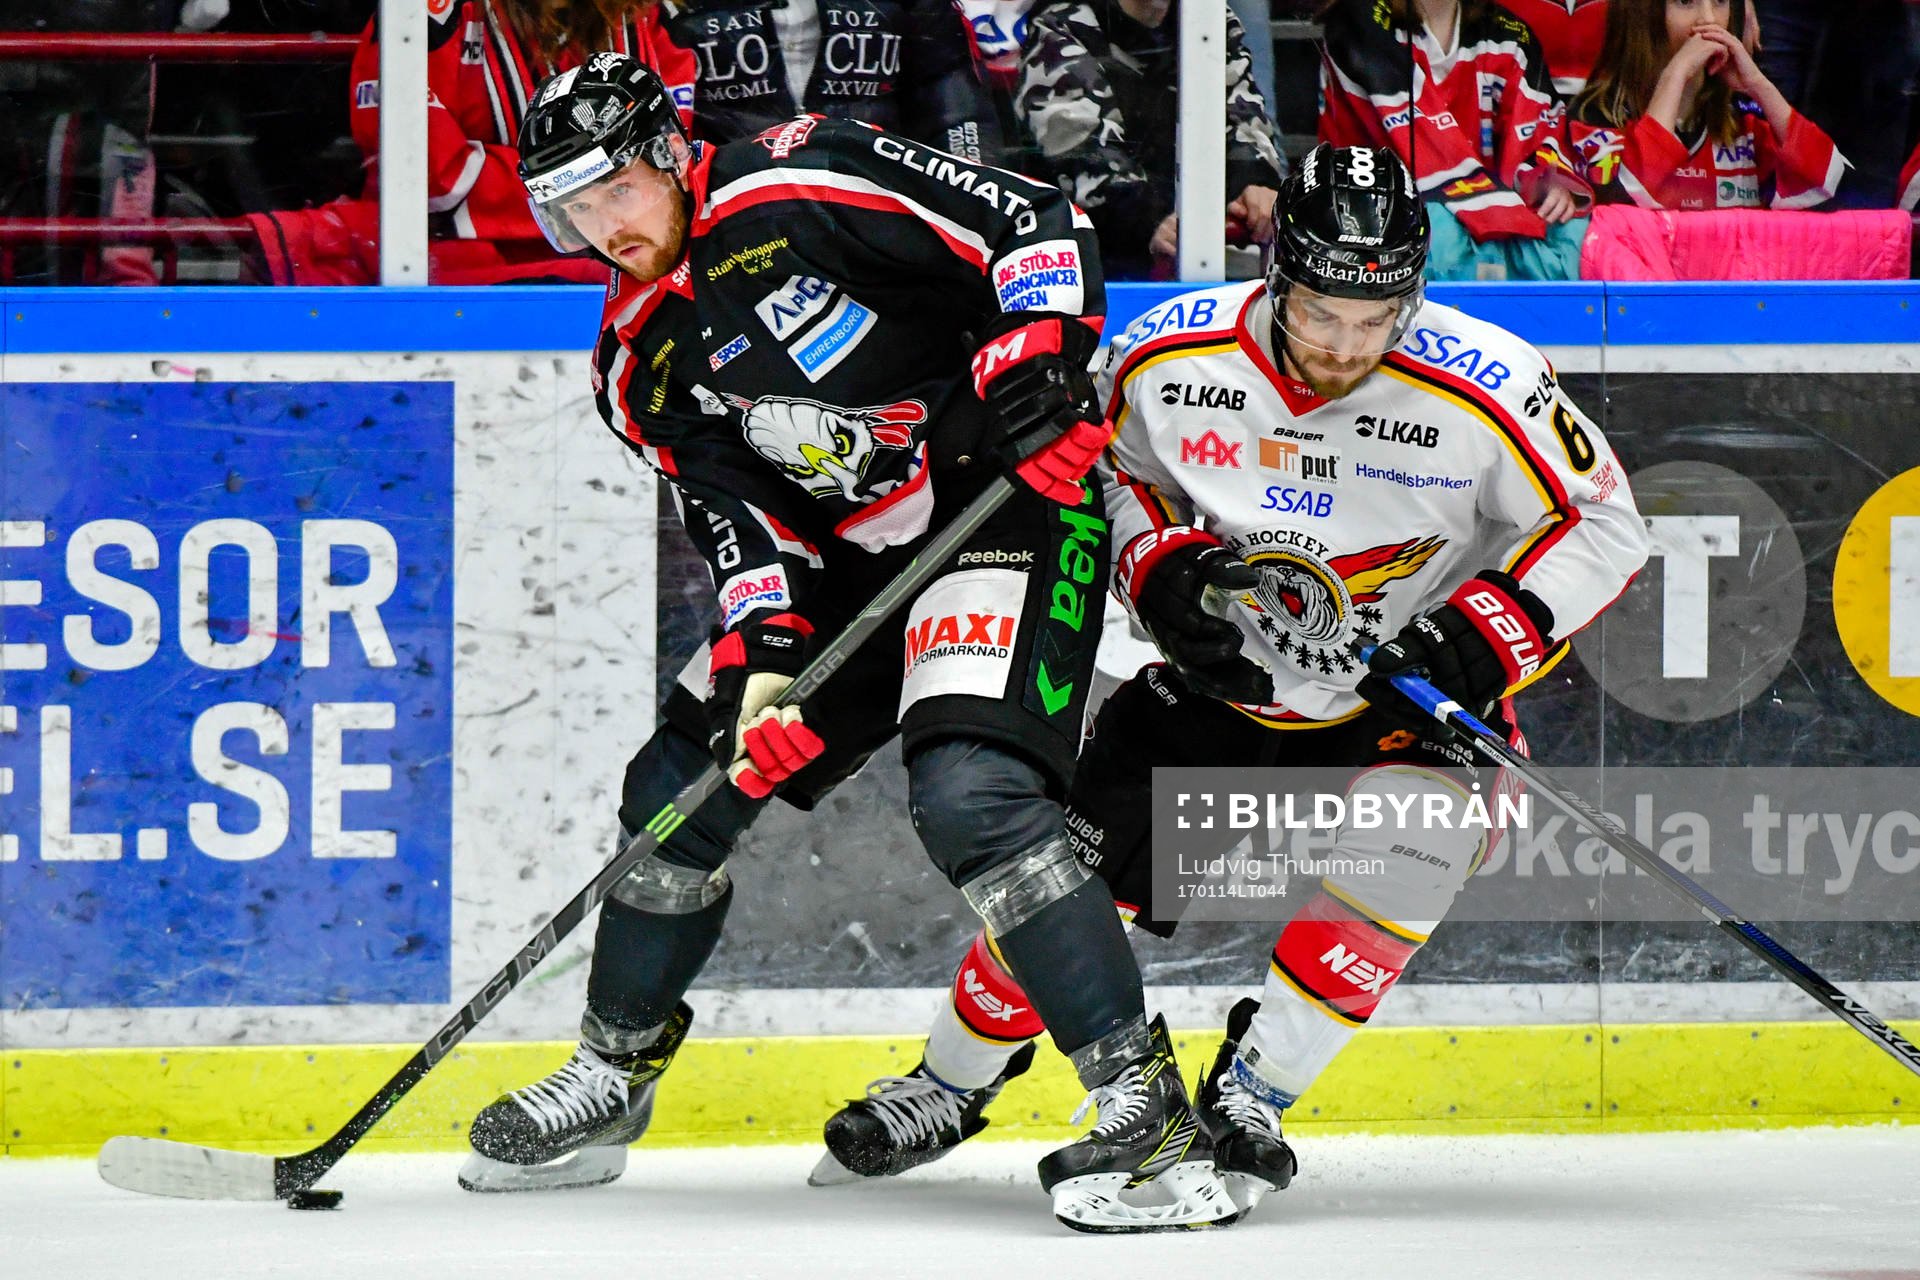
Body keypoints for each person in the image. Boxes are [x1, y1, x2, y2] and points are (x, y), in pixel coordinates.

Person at [455, 55, 1238, 1233]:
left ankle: (1147, 1111)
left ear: (667, 151)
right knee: (680, 788)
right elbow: (737, 518)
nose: (597, 226)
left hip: (1007, 502)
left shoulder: (799, 173)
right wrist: (764, 661)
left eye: (611, 190)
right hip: (850, 566)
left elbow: (1030, 220)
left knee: (975, 797)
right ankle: (612, 1077)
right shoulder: (635, 362)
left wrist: (1033, 360)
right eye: (569, 209)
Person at [815, 143, 1649, 1218]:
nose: (1348, 345)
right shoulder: (1171, 351)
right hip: (1218, 689)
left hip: (1399, 703)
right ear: (1276, 275)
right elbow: (1110, 471)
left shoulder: (1489, 378)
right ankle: (951, 1078)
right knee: (1065, 888)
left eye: (1377, 316)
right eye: (1320, 313)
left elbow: (1605, 522)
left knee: (1416, 839)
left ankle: (1250, 1097)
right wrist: (1153, 563)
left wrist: (1486, 630)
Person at [245, 0, 694, 285]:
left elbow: (665, 163)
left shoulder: (650, 13)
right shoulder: (427, 15)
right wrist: (599, 190)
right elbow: (429, 173)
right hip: (470, 256)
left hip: (623, 242)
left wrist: (558, 189)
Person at [1318, 0, 1594, 280]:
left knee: (1577, 231)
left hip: (1491, 208)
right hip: (1385, 205)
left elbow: (1537, 132)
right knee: (1440, 231)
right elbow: (1415, 149)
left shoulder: (1509, 32)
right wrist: (1488, 205)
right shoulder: (1358, 20)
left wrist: (1548, 181)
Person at [1014, 0, 1288, 280]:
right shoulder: (1060, 25)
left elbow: (1244, 117)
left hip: (1193, 250)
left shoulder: (1211, 17)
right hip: (1088, 263)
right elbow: (1086, 157)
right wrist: (1151, 223)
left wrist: (1255, 186)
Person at [1567, 0, 1845, 210]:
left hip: (1732, 283)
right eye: (1686, 1)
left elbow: (1829, 182)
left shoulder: (1744, 119)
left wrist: (1758, 85)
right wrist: (1676, 76)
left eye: (1721, 1)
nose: (1709, 19)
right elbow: (1622, 201)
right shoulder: (1595, 114)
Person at [655, 0, 1002, 162]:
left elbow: (955, 108)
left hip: (890, 209)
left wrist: (970, 184)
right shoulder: (659, 11)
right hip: (731, 227)